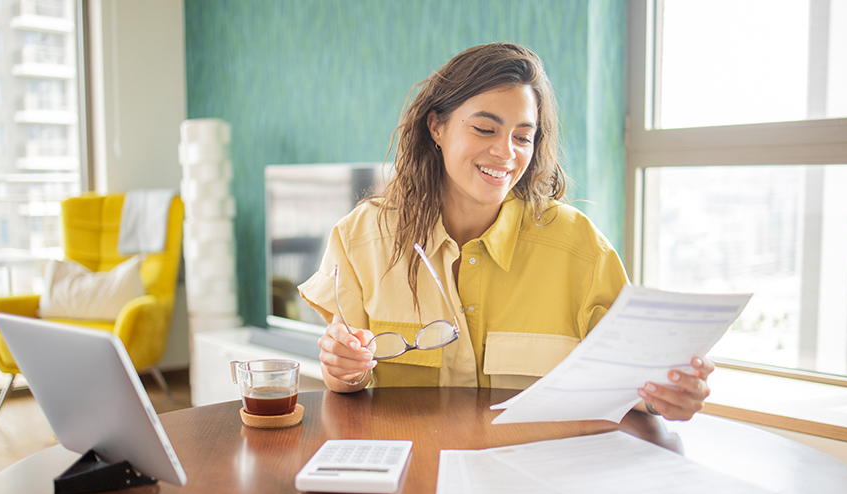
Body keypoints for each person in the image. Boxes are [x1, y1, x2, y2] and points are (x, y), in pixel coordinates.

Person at [298, 42, 712, 421]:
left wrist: (663, 395)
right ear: (436, 127)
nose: (506, 152)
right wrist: (344, 370)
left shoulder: (580, 248)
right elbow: (346, 381)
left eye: (523, 137)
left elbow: (627, 381)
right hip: (410, 475)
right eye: (484, 129)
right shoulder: (360, 239)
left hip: (534, 477)